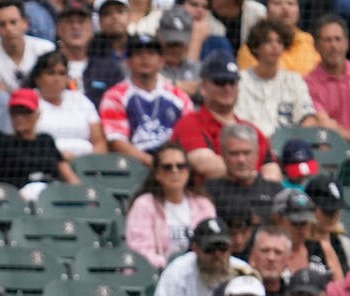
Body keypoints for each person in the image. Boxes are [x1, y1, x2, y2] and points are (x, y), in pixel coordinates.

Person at [171, 55, 282, 182]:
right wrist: (251, 179)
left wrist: (254, 182)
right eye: (220, 82)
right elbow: (207, 166)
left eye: (232, 82)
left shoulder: (251, 129)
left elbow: (272, 172)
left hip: (253, 199)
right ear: (203, 87)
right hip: (209, 198)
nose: (227, 88)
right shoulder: (190, 124)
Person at [100, 34, 195, 167]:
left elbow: (190, 136)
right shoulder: (114, 96)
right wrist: (156, 165)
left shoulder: (179, 97)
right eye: (138, 53)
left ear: (161, 61)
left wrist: (169, 165)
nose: (145, 58)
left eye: (151, 53)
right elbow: (117, 142)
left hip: (174, 165)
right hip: (133, 167)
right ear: (127, 61)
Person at [125, 144, 219, 268]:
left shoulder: (203, 205)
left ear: (188, 171)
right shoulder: (144, 204)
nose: (175, 171)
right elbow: (140, 250)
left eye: (181, 166)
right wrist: (172, 266)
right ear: (157, 173)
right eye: (167, 167)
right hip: (158, 274)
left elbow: (212, 243)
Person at [151, 217, 249, 296]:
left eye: (222, 247)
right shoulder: (177, 271)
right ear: (195, 248)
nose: (217, 254)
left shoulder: (243, 272)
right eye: (210, 248)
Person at [0, 88, 79, 198]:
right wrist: (14, 197)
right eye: (15, 112)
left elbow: (70, 178)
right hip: (14, 200)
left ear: (37, 114)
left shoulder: (46, 141)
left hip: (50, 197)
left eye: (25, 112)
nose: (19, 117)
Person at [235, 18, 323, 138]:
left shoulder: (294, 80)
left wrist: (298, 139)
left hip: (288, 147)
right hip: (251, 145)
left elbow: (309, 118)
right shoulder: (240, 81)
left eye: (279, 42)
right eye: (268, 41)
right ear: (255, 47)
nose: (275, 46)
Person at [201, 124, 284, 225]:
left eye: (247, 153)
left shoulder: (276, 191)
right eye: (234, 154)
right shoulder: (209, 192)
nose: (241, 160)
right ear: (222, 155)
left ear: (257, 153)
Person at [0, 0, 56, 91]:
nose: (8, 29)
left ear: (25, 23)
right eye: (1, 24)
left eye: (13, 22)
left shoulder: (46, 50)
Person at [307, 14, 350, 138]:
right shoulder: (308, 84)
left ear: (347, 43)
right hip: (332, 151)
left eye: (338, 39)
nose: (333, 46)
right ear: (316, 46)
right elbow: (325, 126)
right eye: (327, 40)